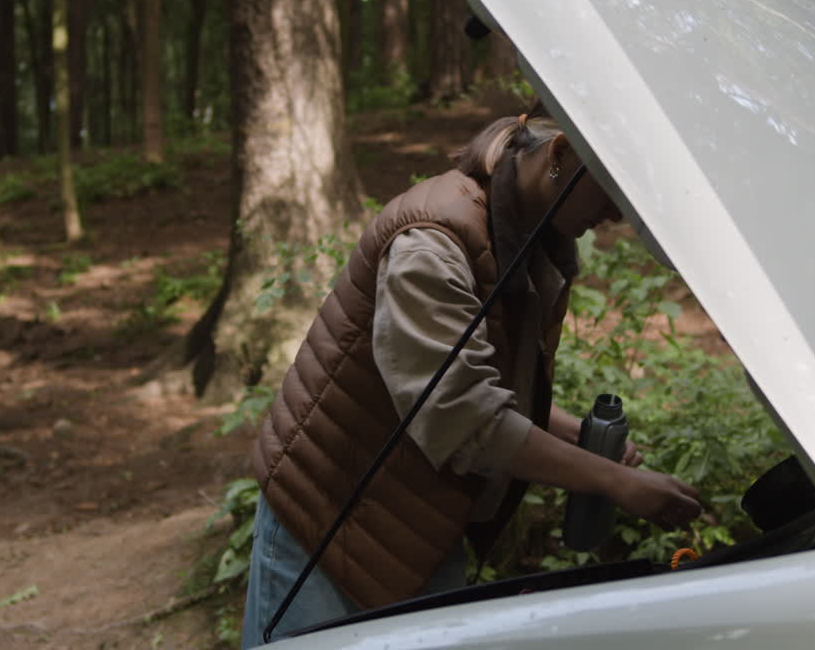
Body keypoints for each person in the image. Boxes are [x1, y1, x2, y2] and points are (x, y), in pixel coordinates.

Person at [241, 109, 703, 647]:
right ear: (559, 157)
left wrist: (581, 437)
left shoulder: (527, 236)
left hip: (416, 524)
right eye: (609, 193)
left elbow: (474, 388)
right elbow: (462, 417)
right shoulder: (432, 241)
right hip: (327, 519)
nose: (615, 216)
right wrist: (614, 482)